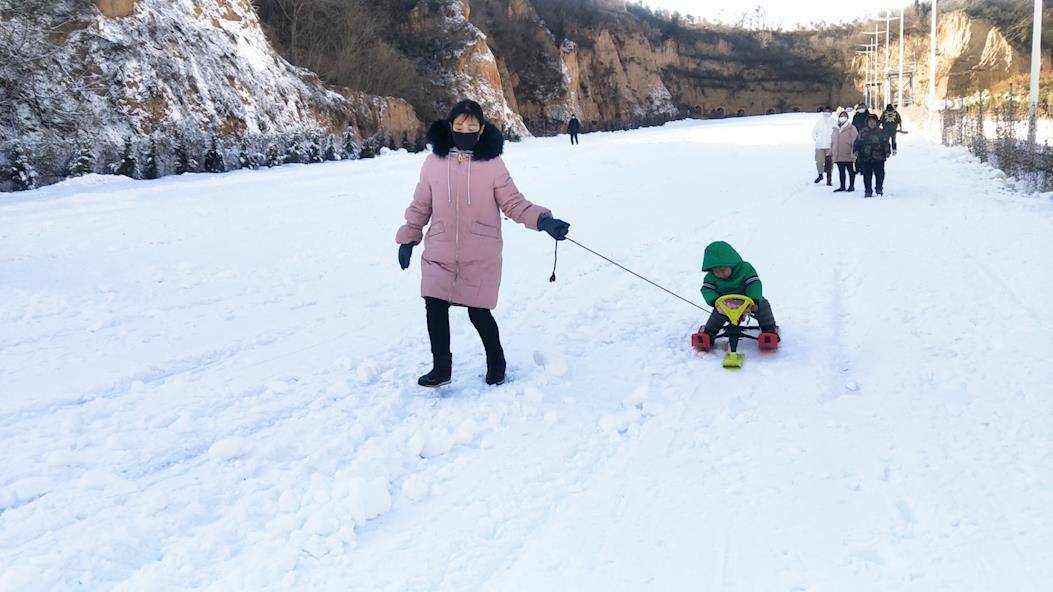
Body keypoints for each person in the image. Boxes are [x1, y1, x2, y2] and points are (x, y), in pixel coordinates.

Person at [396, 100, 571, 387]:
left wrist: (543, 221)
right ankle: (441, 368)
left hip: (481, 251)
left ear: (481, 130)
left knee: (479, 312)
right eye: (459, 126)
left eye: (471, 126)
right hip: (440, 248)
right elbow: (420, 204)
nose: (465, 130)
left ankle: (497, 361)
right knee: (434, 306)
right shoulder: (433, 163)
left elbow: (514, 203)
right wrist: (409, 236)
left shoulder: (492, 164)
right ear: (450, 126)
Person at [698, 241, 778, 339]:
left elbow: (754, 284)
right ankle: (708, 334)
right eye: (715, 271)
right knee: (717, 314)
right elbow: (707, 290)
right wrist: (715, 302)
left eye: (722, 270)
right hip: (725, 304)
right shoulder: (710, 278)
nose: (719, 274)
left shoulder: (745, 269)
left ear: (731, 264)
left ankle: (769, 330)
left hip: (748, 301)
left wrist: (754, 300)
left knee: (763, 305)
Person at [853, 113, 892, 197]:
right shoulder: (862, 132)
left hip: (879, 157)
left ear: (876, 122)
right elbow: (857, 142)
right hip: (865, 157)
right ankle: (868, 191)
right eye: (870, 121)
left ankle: (879, 189)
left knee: (880, 174)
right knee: (867, 175)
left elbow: (886, 143)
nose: (872, 123)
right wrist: (855, 150)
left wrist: (887, 151)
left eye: (873, 121)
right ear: (867, 122)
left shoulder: (881, 132)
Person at [830, 110, 858, 192]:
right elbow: (833, 141)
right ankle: (842, 186)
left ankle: (851, 186)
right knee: (841, 171)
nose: (843, 117)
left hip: (848, 153)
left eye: (844, 116)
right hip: (838, 154)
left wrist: (854, 152)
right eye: (841, 116)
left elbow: (855, 141)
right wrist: (831, 151)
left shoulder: (852, 128)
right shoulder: (835, 128)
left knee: (850, 170)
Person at [811, 106, 836, 185]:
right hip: (819, 146)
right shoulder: (819, 122)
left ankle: (829, 179)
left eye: (828, 111)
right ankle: (820, 175)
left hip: (829, 146)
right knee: (819, 161)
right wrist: (817, 139)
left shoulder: (834, 122)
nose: (827, 113)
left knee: (829, 163)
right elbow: (813, 132)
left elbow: (837, 132)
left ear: (831, 113)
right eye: (825, 111)